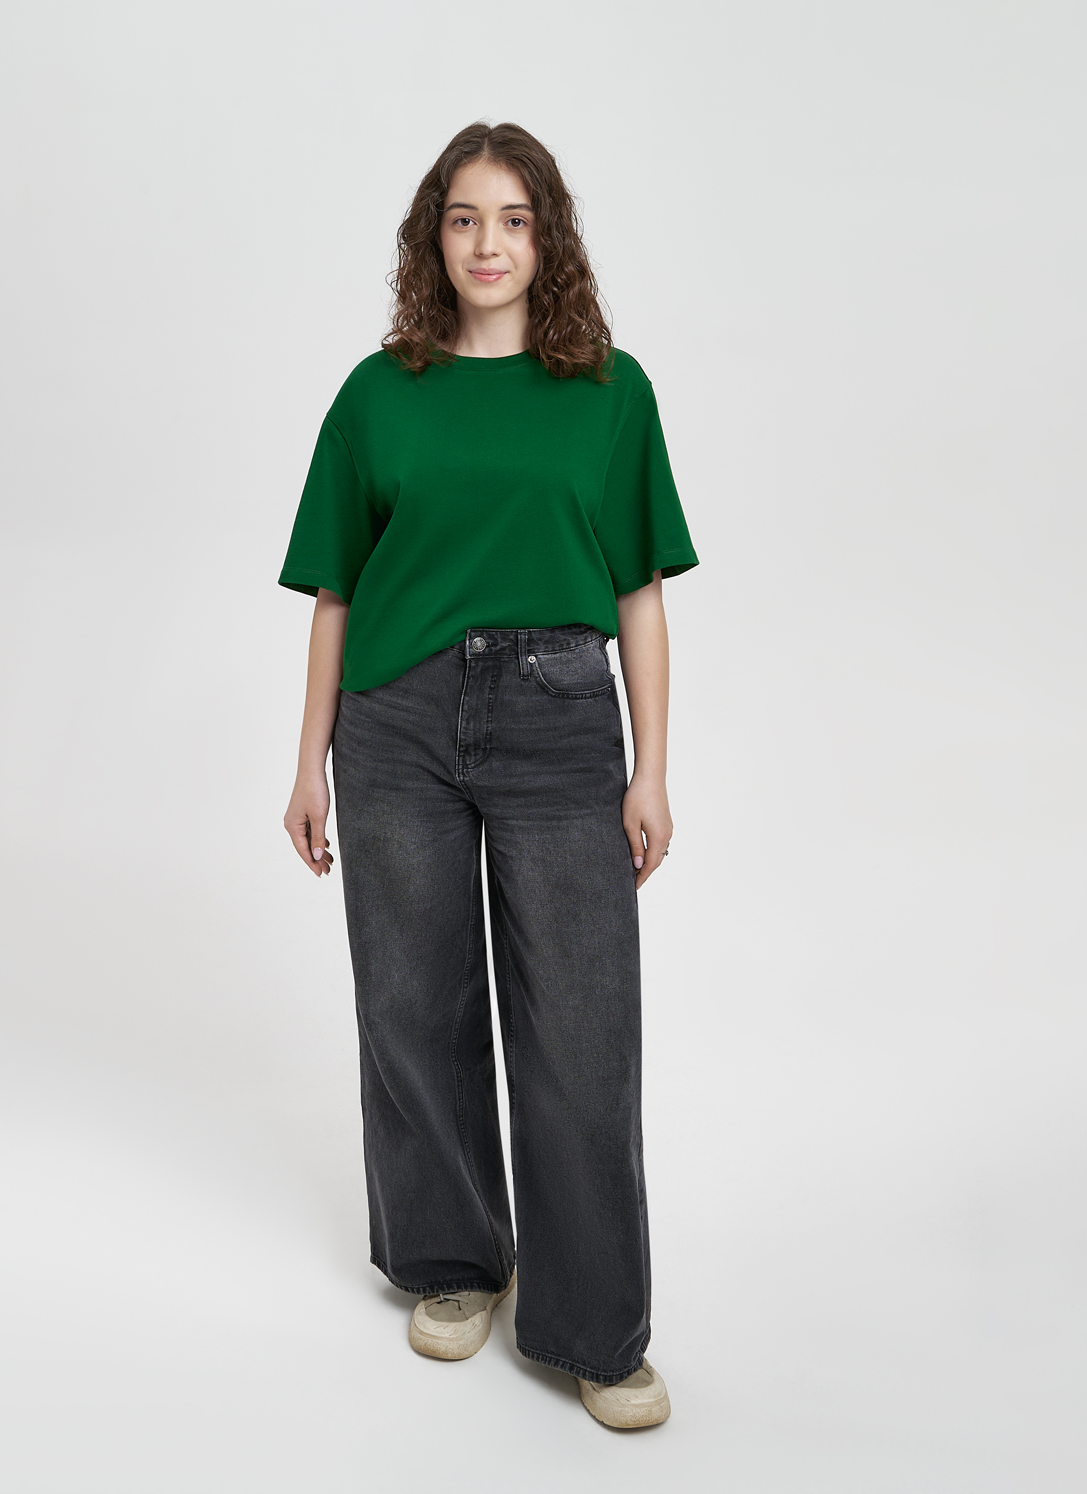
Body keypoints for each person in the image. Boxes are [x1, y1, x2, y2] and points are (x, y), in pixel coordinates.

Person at [278, 121, 698, 1429]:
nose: (488, 243)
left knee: (580, 1028)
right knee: (413, 1003)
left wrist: (653, 769)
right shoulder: (377, 394)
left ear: (547, 238)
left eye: (514, 219)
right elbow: (337, 592)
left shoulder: (611, 393)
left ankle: (595, 1329)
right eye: (464, 218)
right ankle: (453, 1261)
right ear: (434, 238)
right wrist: (307, 761)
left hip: (561, 717)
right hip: (393, 723)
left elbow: (640, 594)